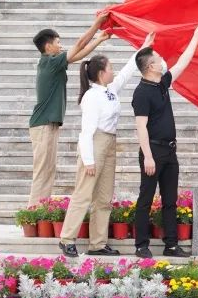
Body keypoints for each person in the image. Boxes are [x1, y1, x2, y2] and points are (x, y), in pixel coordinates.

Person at [58, 32, 152, 258]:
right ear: (101, 73)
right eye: (110, 68)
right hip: (95, 143)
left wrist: (144, 47)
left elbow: (128, 72)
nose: (113, 71)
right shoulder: (92, 96)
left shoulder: (109, 91)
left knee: (103, 197)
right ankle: (67, 238)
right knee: (84, 193)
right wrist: (88, 160)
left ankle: (97, 243)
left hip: (109, 142)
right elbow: (86, 132)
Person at [132, 24, 198, 259]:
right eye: (158, 58)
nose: (163, 61)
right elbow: (141, 126)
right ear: (151, 66)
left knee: (170, 200)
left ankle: (171, 244)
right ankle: (141, 245)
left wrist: (195, 38)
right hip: (152, 151)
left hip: (170, 152)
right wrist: (148, 156)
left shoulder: (162, 83)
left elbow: (182, 64)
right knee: (145, 199)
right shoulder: (142, 92)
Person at [28, 13, 109, 206]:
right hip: (43, 125)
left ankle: (40, 211)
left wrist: (100, 39)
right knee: (42, 171)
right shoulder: (50, 62)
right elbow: (79, 44)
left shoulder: (53, 63)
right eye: (58, 42)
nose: (61, 45)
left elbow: (79, 54)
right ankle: (33, 214)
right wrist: (97, 24)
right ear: (48, 47)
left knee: (48, 170)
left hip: (48, 124)